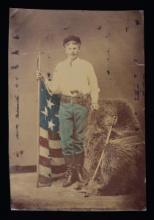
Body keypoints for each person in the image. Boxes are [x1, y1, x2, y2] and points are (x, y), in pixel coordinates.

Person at [36, 35, 100, 187]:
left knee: (79, 139)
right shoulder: (60, 66)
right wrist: (44, 79)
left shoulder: (86, 65)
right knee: (65, 139)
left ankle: (78, 171)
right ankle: (70, 172)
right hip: (64, 106)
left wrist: (95, 101)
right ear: (65, 49)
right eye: (70, 48)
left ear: (79, 49)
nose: (73, 51)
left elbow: (94, 84)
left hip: (81, 105)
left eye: (75, 48)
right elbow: (55, 88)